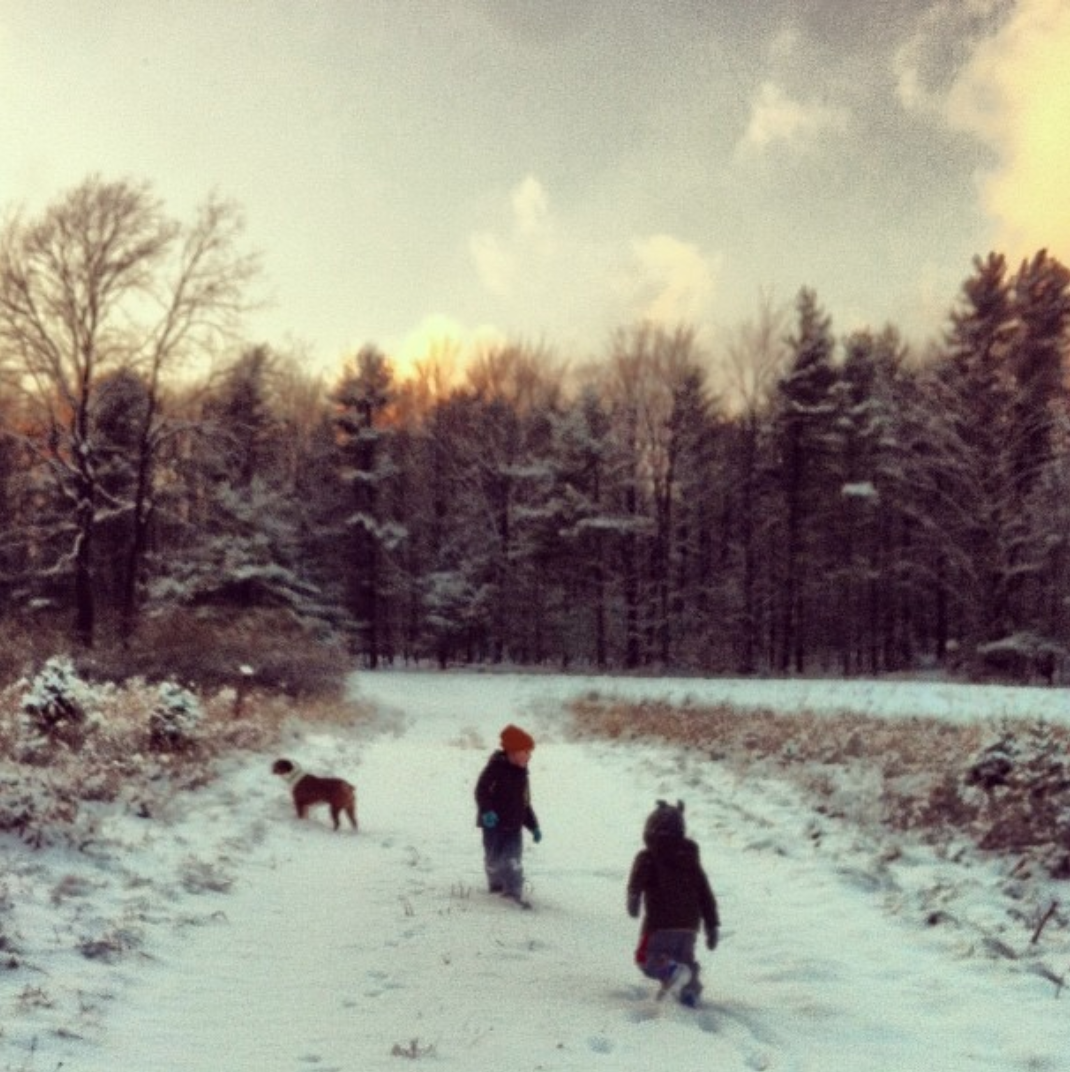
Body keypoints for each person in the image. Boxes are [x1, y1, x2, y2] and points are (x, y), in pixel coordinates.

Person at [627, 799, 719, 1007]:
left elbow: (637, 881)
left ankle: (672, 972)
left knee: (646, 959)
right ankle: (689, 991)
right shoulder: (691, 860)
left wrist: (633, 898)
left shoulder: (647, 857)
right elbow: (705, 893)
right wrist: (712, 925)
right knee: (684, 960)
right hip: (689, 927)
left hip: (660, 924)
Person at [475, 723, 542, 908]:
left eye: (530, 752)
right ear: (512, 752)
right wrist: (487, 811)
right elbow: (481, 791)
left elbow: (525, 804)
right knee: (494, 859)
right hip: (493, 825)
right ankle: (495, 884)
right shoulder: (495, 768)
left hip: (513, 826)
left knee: (513, 860)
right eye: (525, 752)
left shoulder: (522, 774)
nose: (529, 756)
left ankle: (512, 892)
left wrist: (534, 826)